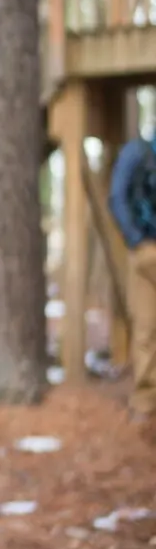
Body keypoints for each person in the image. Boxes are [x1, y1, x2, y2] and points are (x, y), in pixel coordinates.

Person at [109, 116, 156, 421]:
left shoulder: (135, 152)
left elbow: (116, 196)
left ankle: (144, 404)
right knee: (146, 326)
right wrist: (137, 241)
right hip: (147, 249)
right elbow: (117, 198)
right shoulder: (138, 153)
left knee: (146, 327)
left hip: (143, 249)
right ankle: (145, 404)